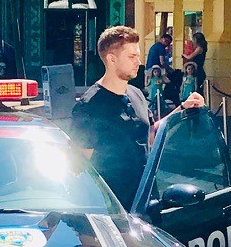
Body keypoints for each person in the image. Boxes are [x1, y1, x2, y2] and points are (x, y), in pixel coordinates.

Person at [70, 25, 202, 206]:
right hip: (114, 209)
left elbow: (150, 134)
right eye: (131, 57)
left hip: (146, 203)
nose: (138, 62)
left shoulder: (136, 94)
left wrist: (183, 108)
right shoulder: (88, 108)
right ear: (111, 59)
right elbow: (78, 169)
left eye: (138, 56)